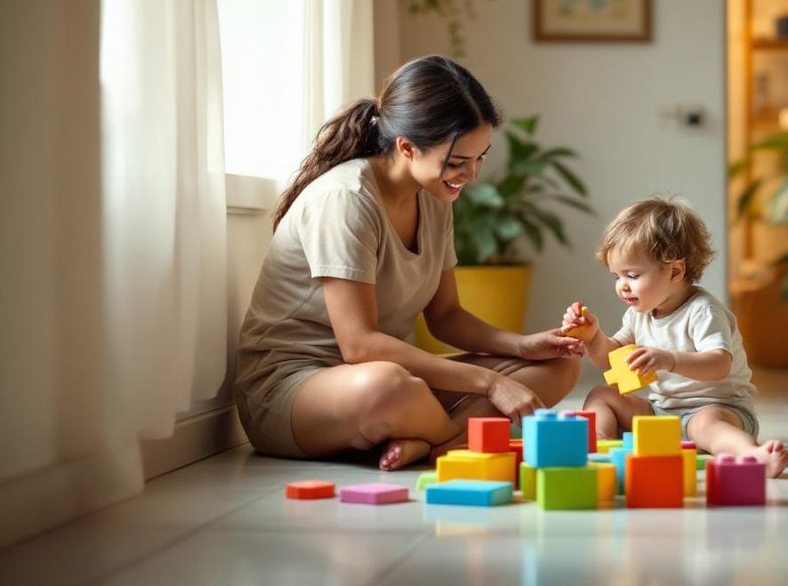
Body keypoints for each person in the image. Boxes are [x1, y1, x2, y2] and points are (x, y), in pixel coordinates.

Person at [235, 55, 582, 470]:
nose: (471, 176)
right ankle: (451, 440)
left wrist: (520, 345)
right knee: (390, 387)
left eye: (479, 158)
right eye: (457, 162)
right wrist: (491, 382)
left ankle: (430, 443)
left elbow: (447, 316)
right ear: (406, 147)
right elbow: (359, 345)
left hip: (391, 379)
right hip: (296, 388)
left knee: (559, 364)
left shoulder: (434, 197)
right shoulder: (346, 200)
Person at [561, 197, 788, 477]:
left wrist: (669, 360)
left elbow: (719, 364)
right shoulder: (640, 313)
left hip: (717, 409)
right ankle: (598, 446)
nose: (622, 286)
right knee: (601, 395)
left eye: (632, 275)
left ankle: (752, 455)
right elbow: (611, 360)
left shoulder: (703, 312)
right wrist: (592, 336)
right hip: (662, 412)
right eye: (616, 277)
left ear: (676, 271)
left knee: (705, 426)